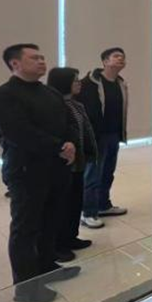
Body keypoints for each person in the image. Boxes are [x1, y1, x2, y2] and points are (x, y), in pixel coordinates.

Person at [0, 44, 80, 302]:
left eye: (42, 57)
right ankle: (26, 288)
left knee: (50, 220)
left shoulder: (50, 92)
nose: (41, 61)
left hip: (56, 168)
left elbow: (68, 122)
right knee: (26, 228)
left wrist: (70, 143)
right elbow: (18, 133)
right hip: (26, 171)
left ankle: (47, 266)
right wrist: (59, 146)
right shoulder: (4, 95)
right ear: (15, 64)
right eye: (34, 58)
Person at [47, 67, 98, 261]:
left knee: (75, 202)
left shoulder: (77, 104)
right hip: (63, 164)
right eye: (75, 80)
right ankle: (57, 245)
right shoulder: (54, 106)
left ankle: (70, 237)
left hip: (79, 162)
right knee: (61, 205)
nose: (79, 83)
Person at [78, 47, 129, 229]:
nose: (121, 59)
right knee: (92, 175)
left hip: (113, 134)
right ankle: (88, 212)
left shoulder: (120, 83)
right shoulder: (89, 83)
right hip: (95, 137)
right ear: (105, 61)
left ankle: (103, 205)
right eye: (116, 56)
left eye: (123, 57)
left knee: (108, 172)